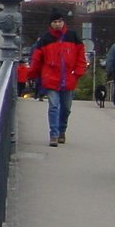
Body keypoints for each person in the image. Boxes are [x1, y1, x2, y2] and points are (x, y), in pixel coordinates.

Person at [27, 9, 87, 147]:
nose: (57, 24)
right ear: (51, 24)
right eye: (55, 22)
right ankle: (53, 134)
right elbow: (37, 59)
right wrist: (32, 75)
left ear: (63, 22)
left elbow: (80, 57)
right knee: (54, 106)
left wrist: (77, 72)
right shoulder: (45, 39)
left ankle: (62, 131)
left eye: (59, 21)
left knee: (66, 108)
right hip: (51, 77)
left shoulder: (72, 36)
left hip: (68, 78)